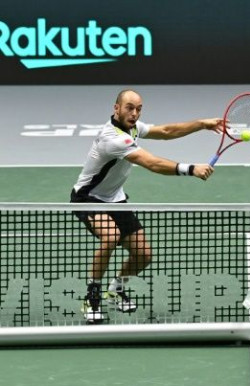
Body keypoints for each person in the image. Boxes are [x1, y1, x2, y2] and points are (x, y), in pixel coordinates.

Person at [71, 89, 223, 324]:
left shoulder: (131, 127)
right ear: (116, 109)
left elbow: (165, 132)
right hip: (88, 197)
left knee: (143, 254)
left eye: (138, 108)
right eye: (129, 107)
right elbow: (152, 163)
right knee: (111, 237)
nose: (134, 113)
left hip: (114, 198)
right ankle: (92, 297)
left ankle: (116, 290)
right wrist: (191, 169)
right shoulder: (113, 138)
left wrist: (201, 124)